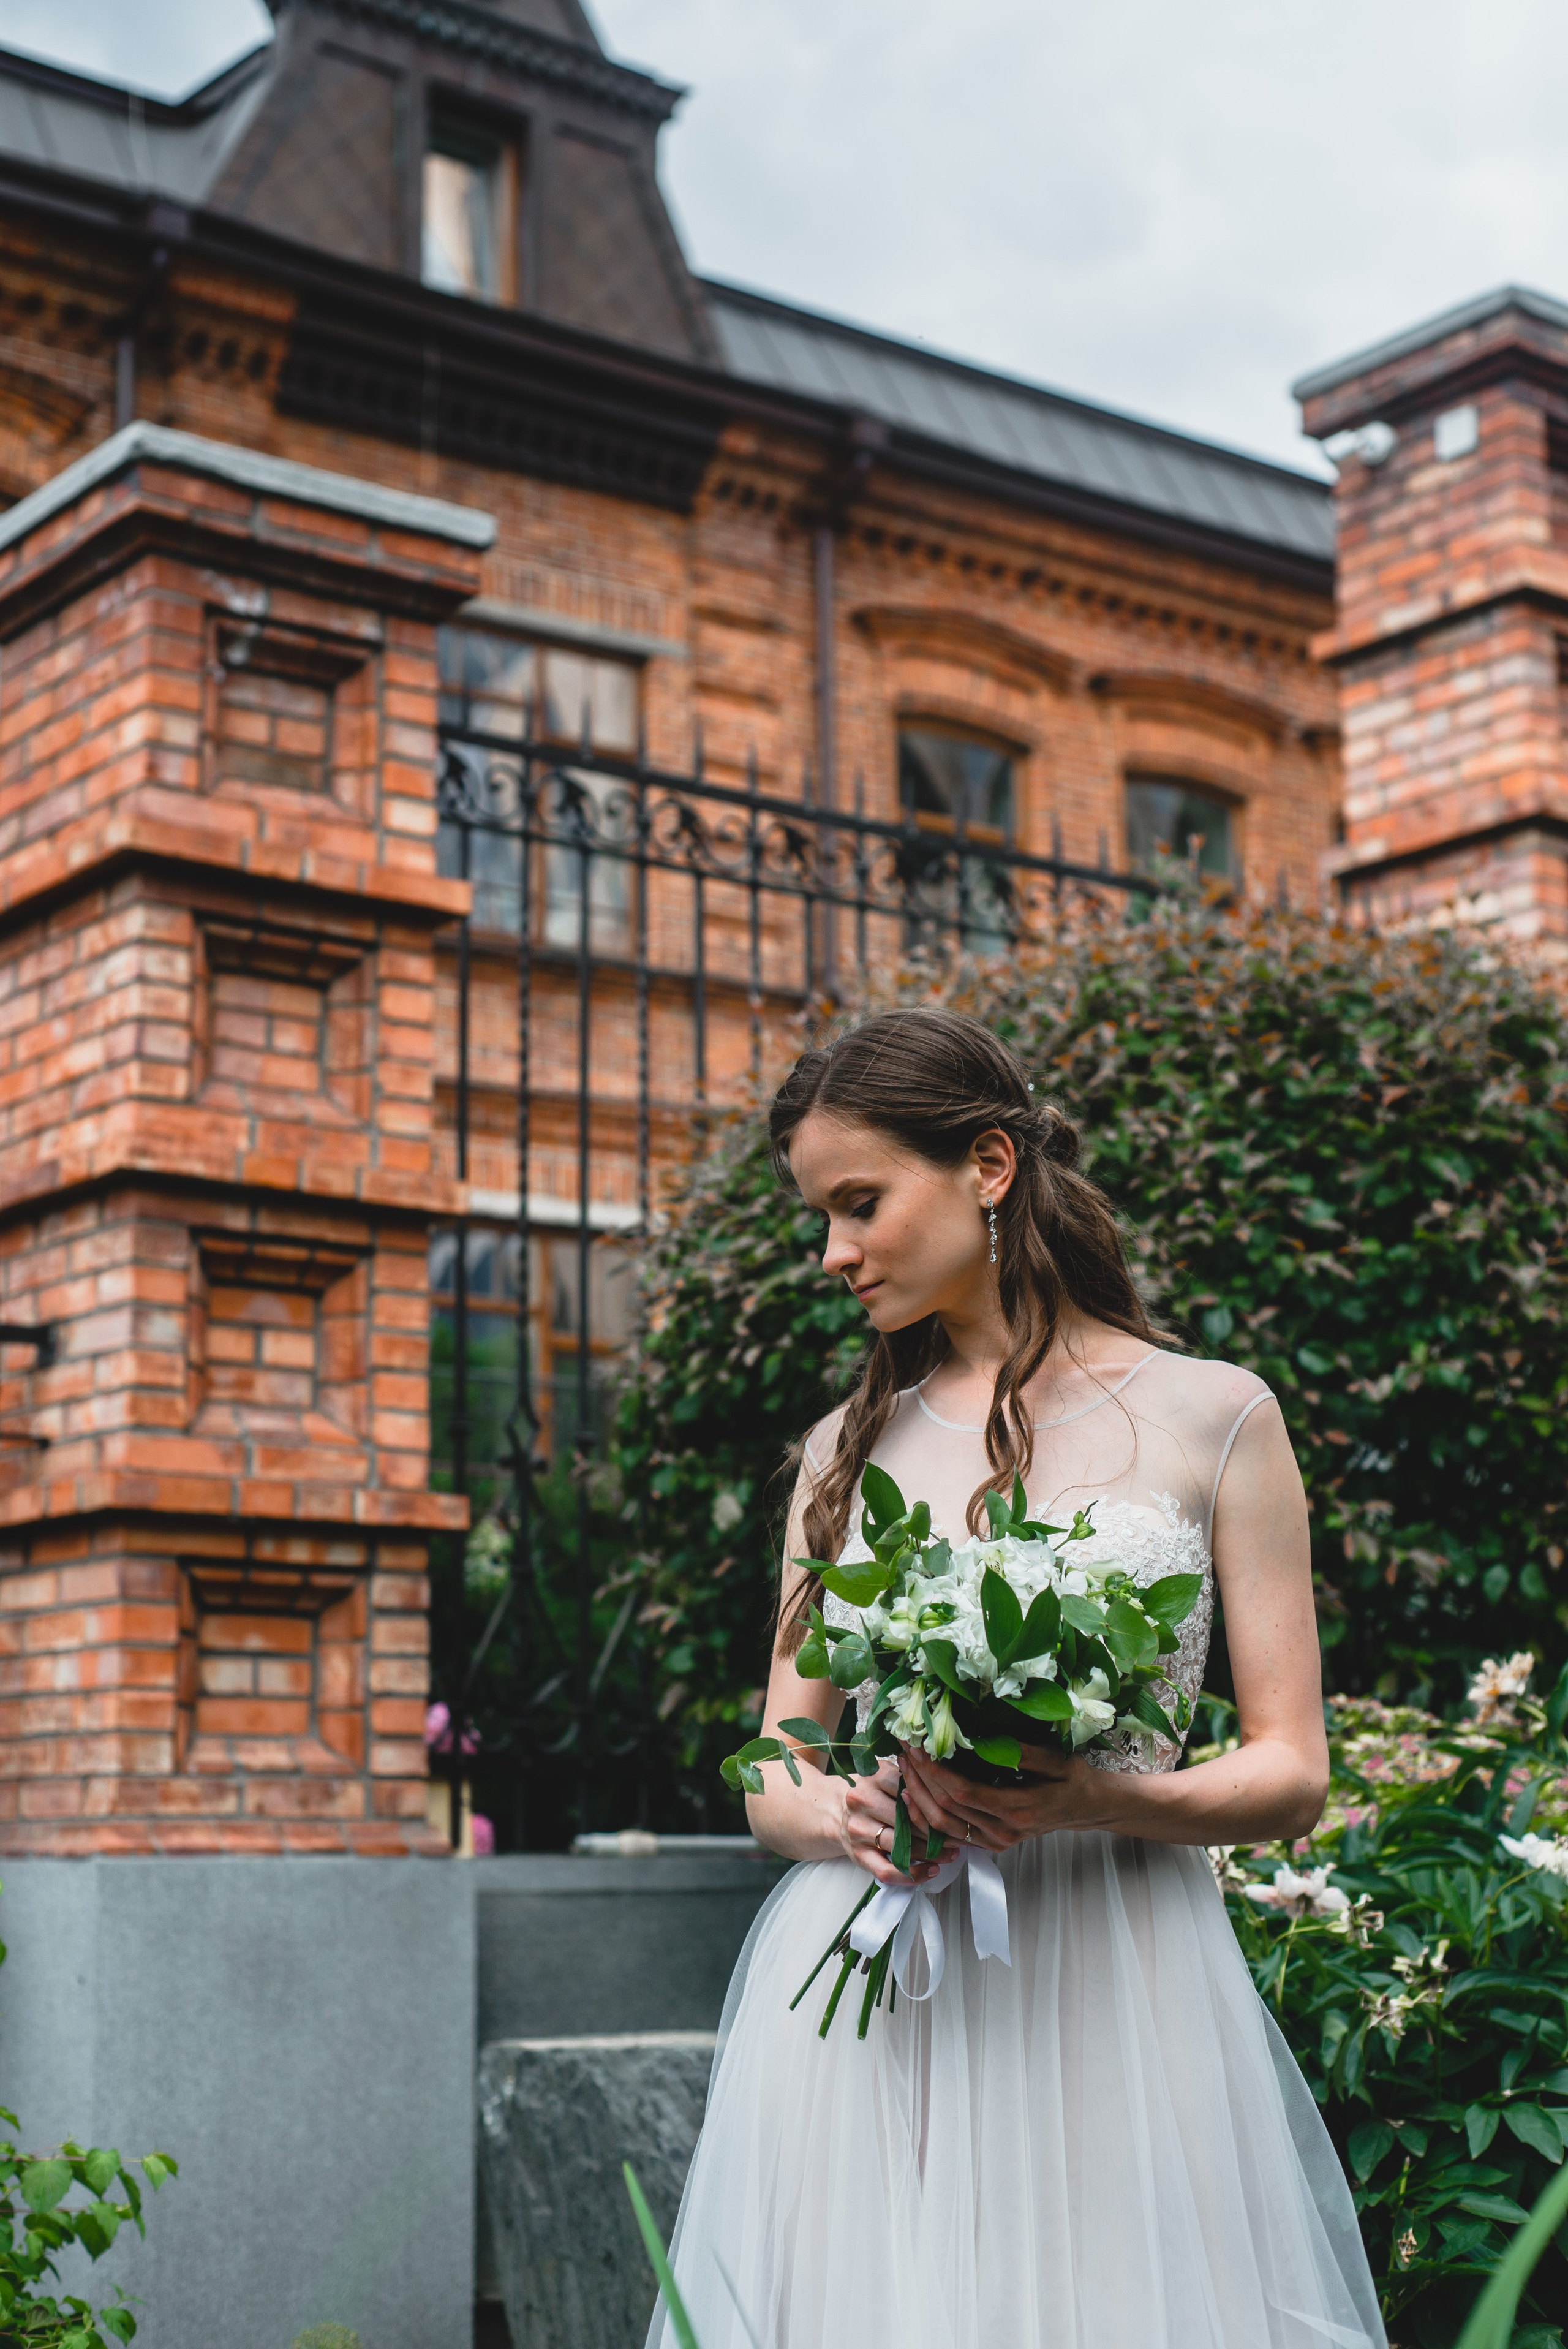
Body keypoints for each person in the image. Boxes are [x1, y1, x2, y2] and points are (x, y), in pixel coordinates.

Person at [650, 1007, 1385, 2349]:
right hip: (885, 1987)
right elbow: (774, 1763)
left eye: (858, 1204)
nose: (831, 1253)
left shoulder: (1216, 1415)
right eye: (818, 1217)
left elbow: (1291, 1772)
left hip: (1119, 1966)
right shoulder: (841, 1451)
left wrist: (1086, 1800)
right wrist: (840, 1813)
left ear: (986, 1165)